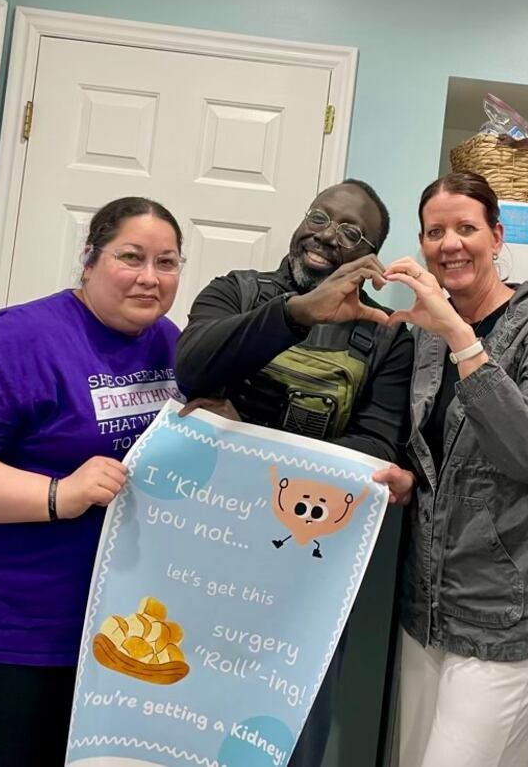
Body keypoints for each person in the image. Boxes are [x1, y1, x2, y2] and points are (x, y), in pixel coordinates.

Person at [175, 178, 413, 767]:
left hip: (304, 573)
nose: (326, 235)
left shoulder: (386, 336)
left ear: (369, 258)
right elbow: (192, 368)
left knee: (283, 735)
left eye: (351, 233)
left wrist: (240, 439)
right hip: (201, 552)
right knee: (181, 715)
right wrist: (296, 313)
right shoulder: (235, 291)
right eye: (319, 216)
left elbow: (373, 447)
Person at [372, 172, 528, 767]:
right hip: (427, 610)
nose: (450, 244)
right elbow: (435, 452)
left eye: (466, 228)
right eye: (434, 231)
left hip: (509, 616)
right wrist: (406, 476)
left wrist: (458, 334)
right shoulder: (420, 336)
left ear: (496, 237)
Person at [0, 196, 185, 767]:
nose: (149, 278)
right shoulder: (11, 343)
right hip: (14, 631)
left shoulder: (169, 343)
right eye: (130, 257)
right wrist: (60, 493)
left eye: (168, 262)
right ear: (88, 259)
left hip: (119, 636)